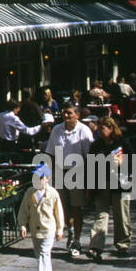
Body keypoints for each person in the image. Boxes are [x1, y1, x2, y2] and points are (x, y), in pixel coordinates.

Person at [45, 105, 94, 258]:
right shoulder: (57, 130)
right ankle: (70, 231)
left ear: (77, 115)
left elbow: (89, 156)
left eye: (69, 113)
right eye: (64, 112)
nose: (66, 115)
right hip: (60, 172)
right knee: (63, 207)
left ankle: (77, 240)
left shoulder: (84, 131)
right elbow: (51, 152)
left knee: (76, 207)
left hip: (77, 172)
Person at [87, 117, 131, 259]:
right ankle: (96, 246)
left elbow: (133, 161)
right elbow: (91, 166)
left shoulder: (123, 143)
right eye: (98, 128)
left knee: (121, 215)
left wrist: (122, 164)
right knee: (101, 215)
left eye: (103, 128)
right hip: (102, 184)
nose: (100, 131)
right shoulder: (96, 145)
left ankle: (122, 244)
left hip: (120, 183)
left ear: (111, 128)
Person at [18, 163, 65, 271]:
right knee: (40, 253)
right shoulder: (30, 192)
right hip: (35, 228)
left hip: (48, 228)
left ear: (47, 179)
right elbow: (23, 211)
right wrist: (22, 226)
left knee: (44, 251)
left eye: (40, 178)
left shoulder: (52, 193)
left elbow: (59, 212)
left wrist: (60, 229)